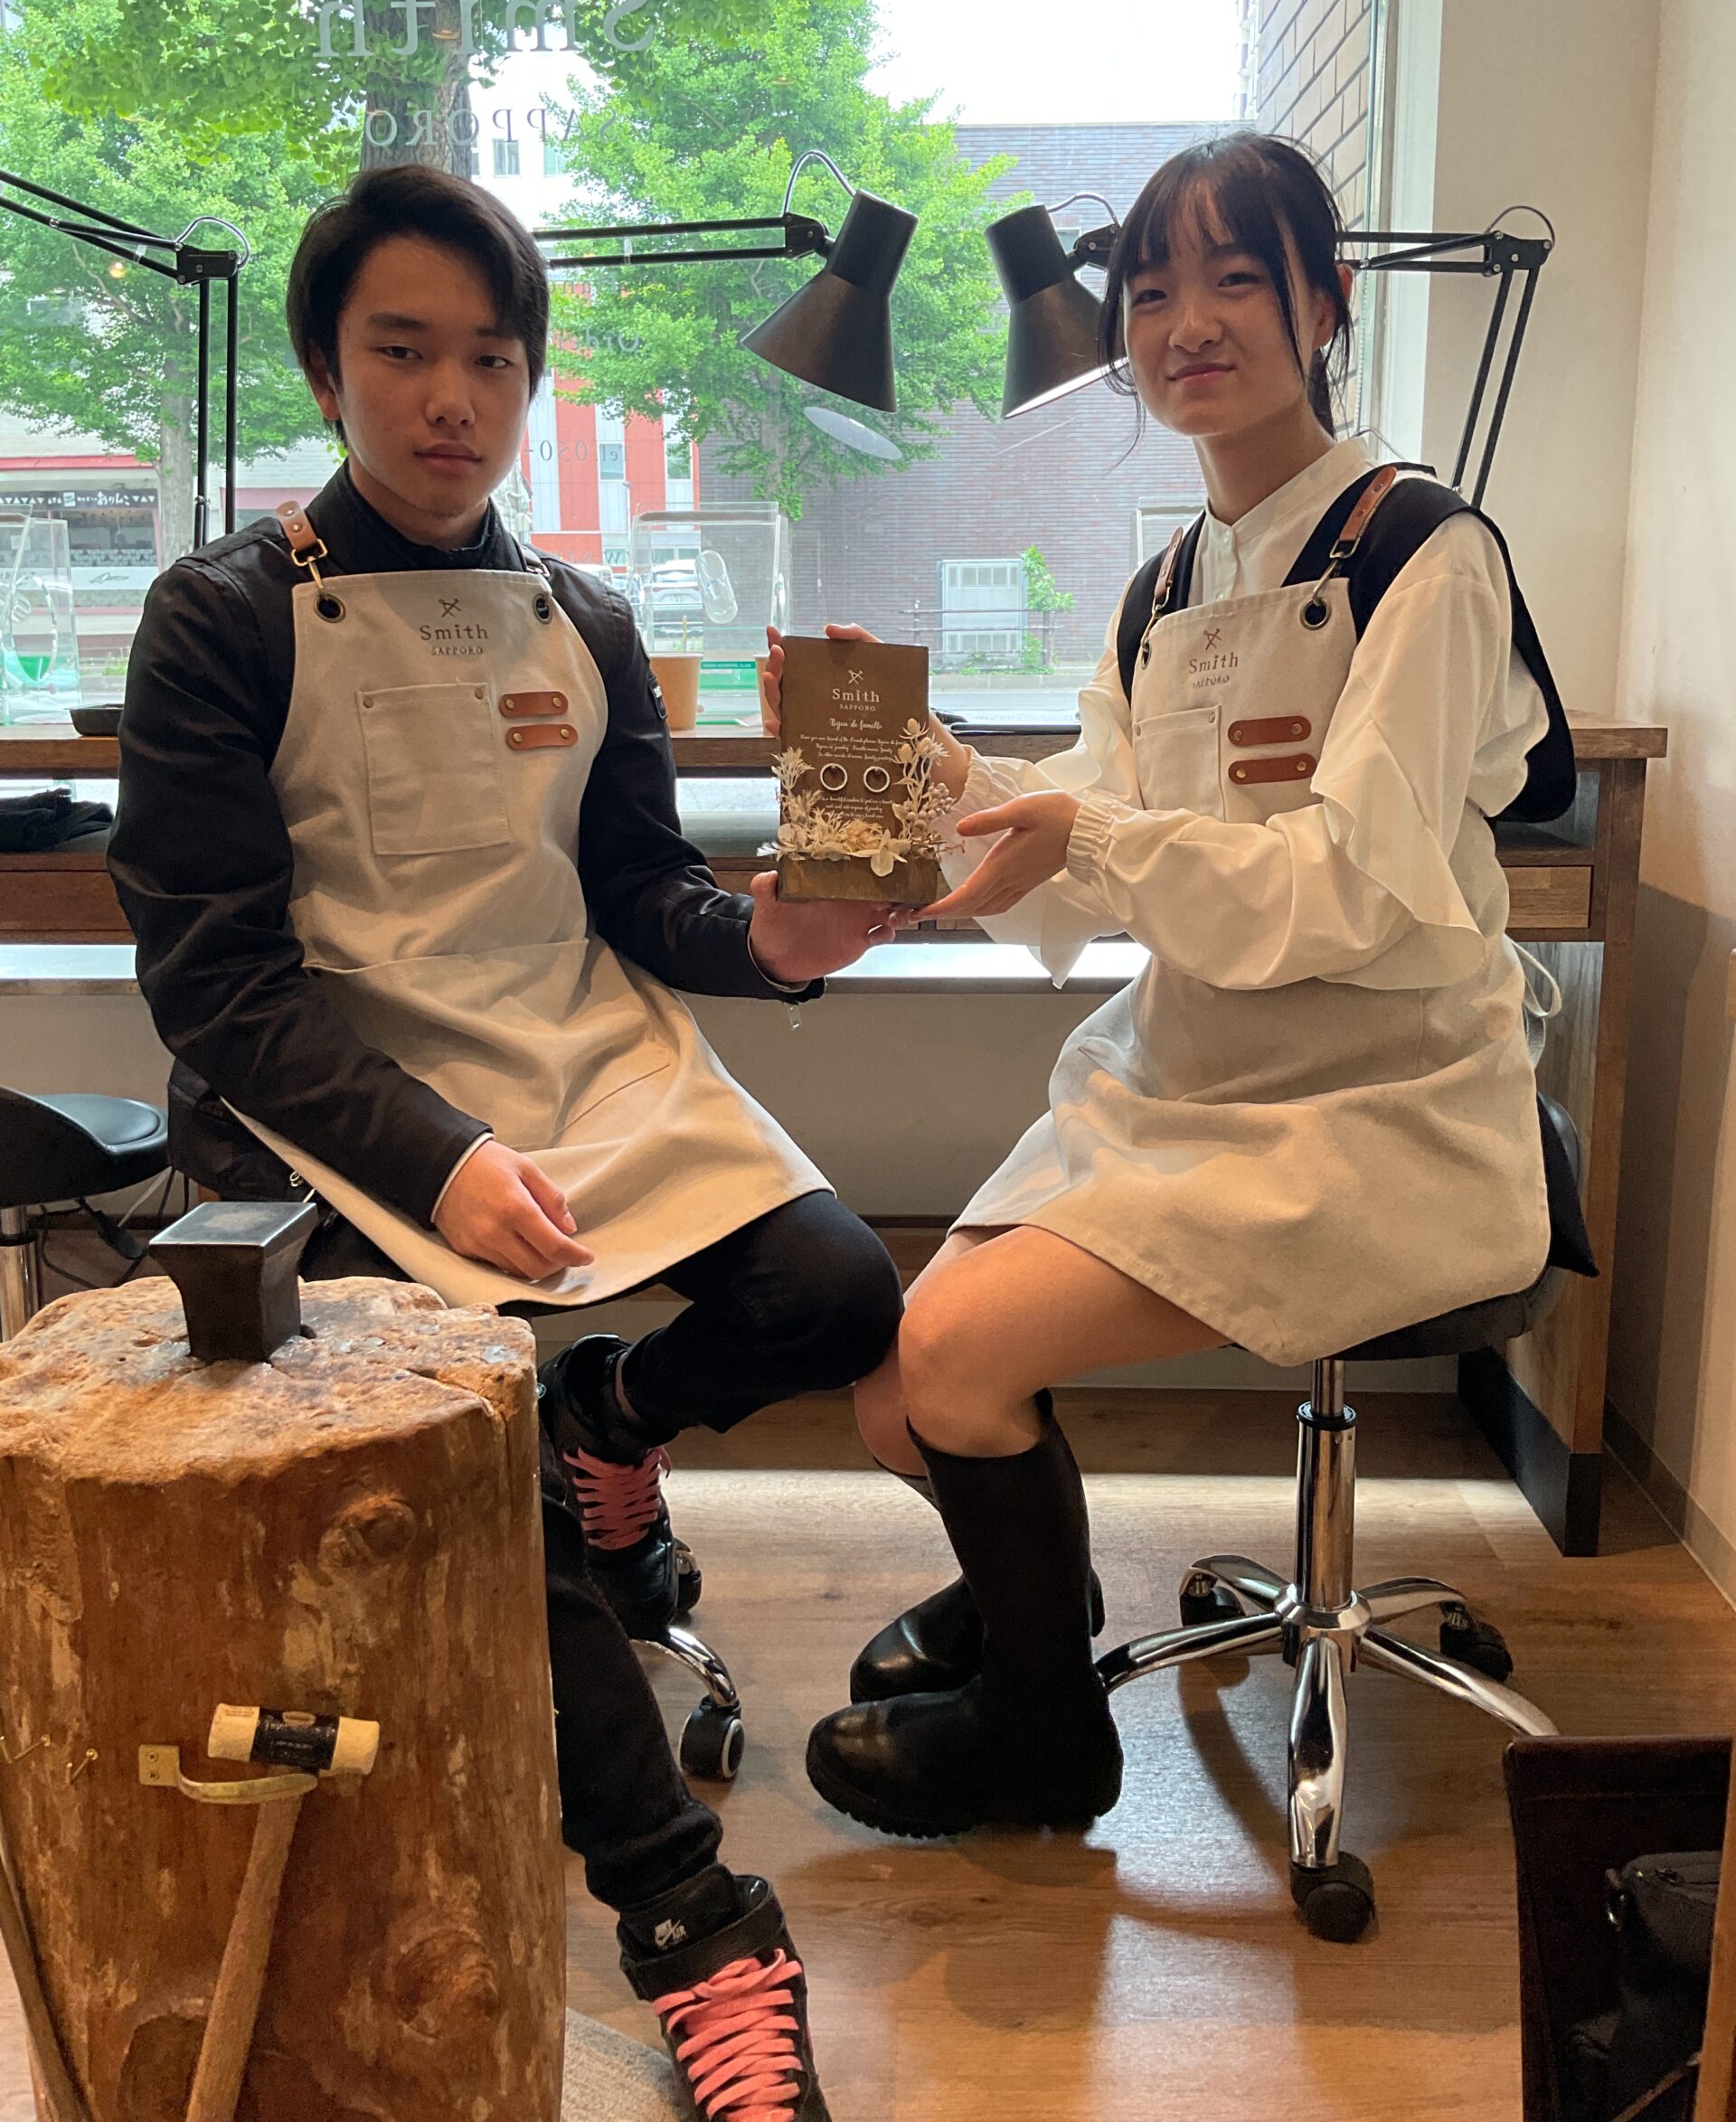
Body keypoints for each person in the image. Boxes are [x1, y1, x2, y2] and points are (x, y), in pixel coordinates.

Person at [109, 163, 902, 2119]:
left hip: (577, 1052)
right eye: (403, 351)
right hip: (331, 1107)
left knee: (837, 1286)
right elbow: (219, 984)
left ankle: (605, 1422)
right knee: (465, 1464)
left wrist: (772, 945)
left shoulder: (586, 618)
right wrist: (440, 1157)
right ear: (326, 368)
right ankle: (697, 1921)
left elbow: (638, 891)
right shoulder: (222, 618)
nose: (451, 397)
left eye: (490, 357)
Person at [788, 128, 1589, 1841]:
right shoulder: (1165, 586)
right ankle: (1041, 1613)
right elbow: (1090, 841)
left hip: (1379, 1100)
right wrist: (929, 768)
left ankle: (1043, 1738)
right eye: (1152, 291)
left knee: (955, 1357)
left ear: (1326, 301)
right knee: (896, 1389)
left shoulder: (1422, 552)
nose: (1186, 324)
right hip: (1185, 1075)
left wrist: (1088, 830)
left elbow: (1351, 887)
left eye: (1236, 278)